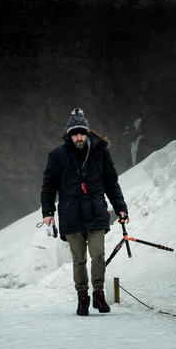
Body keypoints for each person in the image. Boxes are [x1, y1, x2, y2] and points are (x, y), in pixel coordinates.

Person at [41, 108, 129, 316]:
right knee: (79, 260)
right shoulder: (57, 156)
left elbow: (111, 183)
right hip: (71, 215)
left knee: (98, 255)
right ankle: (82, 297)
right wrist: (48, 212)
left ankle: (98, 294)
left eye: (82, 133)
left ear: (87, 133)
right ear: (69, 135)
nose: (79, 137)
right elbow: (48, 186)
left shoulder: (100, 153)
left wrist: (121, 208)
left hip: (96, 214)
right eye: (75, 133)